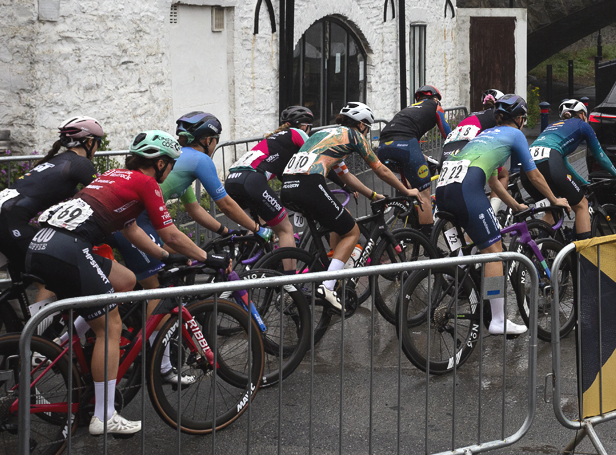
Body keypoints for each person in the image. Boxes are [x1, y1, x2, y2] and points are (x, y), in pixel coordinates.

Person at [26, 130, 227, 437]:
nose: (171, 170)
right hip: (68, 249)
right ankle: (104, 416)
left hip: (41, 244)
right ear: (159, 164)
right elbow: (171, 233)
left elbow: (131, 229)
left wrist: (162, 255)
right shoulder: (145, 182)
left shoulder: (115, 175)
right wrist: (205, 257)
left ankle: (58, 345)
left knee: (126, 280)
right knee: (110, 326)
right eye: (170, 164)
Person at [436, 94, 569, 336]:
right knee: (494, 251)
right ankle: (498, 320)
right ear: (519, 119)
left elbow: (494, 181)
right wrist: (554, 199)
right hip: (465, 189)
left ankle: (476, 288)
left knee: (478, 247)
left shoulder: (485, 134)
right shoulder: (515, 134)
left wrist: (515, 205)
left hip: (445, 189)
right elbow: (534, 175)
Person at [279, 102, 419, 311]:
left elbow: (346, 175)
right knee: (352, 232)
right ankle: (327, 285)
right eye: (367, 127)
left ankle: (335, 267)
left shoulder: (327, 135)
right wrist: (406, 191)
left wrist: (372, 195)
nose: (366, 131)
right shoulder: (354, 136)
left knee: (340, 219)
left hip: (288, 187)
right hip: (309, 183)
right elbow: (380, 169)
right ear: (361, 125)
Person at [110, 112, 261, 290]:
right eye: (216, 140)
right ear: (208, 140)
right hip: (138, 220)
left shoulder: (179, 163)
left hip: (131, 219)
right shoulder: (201, 160)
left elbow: (194, 209)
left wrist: (225, 231)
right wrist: (257, 228)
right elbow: (225, 205)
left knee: (185, 255)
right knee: (159, 291)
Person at [0, 117, 103, 279]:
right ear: (90, 143)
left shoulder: (58, 161)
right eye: (99, 143)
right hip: (9, 223)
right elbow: (105, 197)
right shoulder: (80, 163)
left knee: (36, 276)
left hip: (7, 219)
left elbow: (78, 197)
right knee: (57, 277)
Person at [522, 100, 616, 242]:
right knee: (582, 205)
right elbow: (600, 157)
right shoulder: (583, 125)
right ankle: (582, 257)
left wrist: (581, 182)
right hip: (549, 164)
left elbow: (563, 164)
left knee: (553, 211)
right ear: (583, 114)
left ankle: (538, 251)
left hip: (527, 169)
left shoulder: (552, 126)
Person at [224, 104, 313, 252]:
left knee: (260, 225)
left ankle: (249, 264)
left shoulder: (274, 139)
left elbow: (283, 177)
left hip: (232, 180)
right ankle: (289, 275)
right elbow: (313, 157)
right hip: (251, 181)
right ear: (304, 126)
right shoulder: (297, 133)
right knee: (285, 229)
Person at [376, 86, 449, 230]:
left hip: (383, 147)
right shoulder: (435, 106)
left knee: (409, 187)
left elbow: (401, 140)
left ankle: (409, 220)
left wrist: (428, 160)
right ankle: (429, 242)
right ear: (435, 98)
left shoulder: (408, 109)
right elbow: (448, 135)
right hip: (406, 146)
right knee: (424, 194)